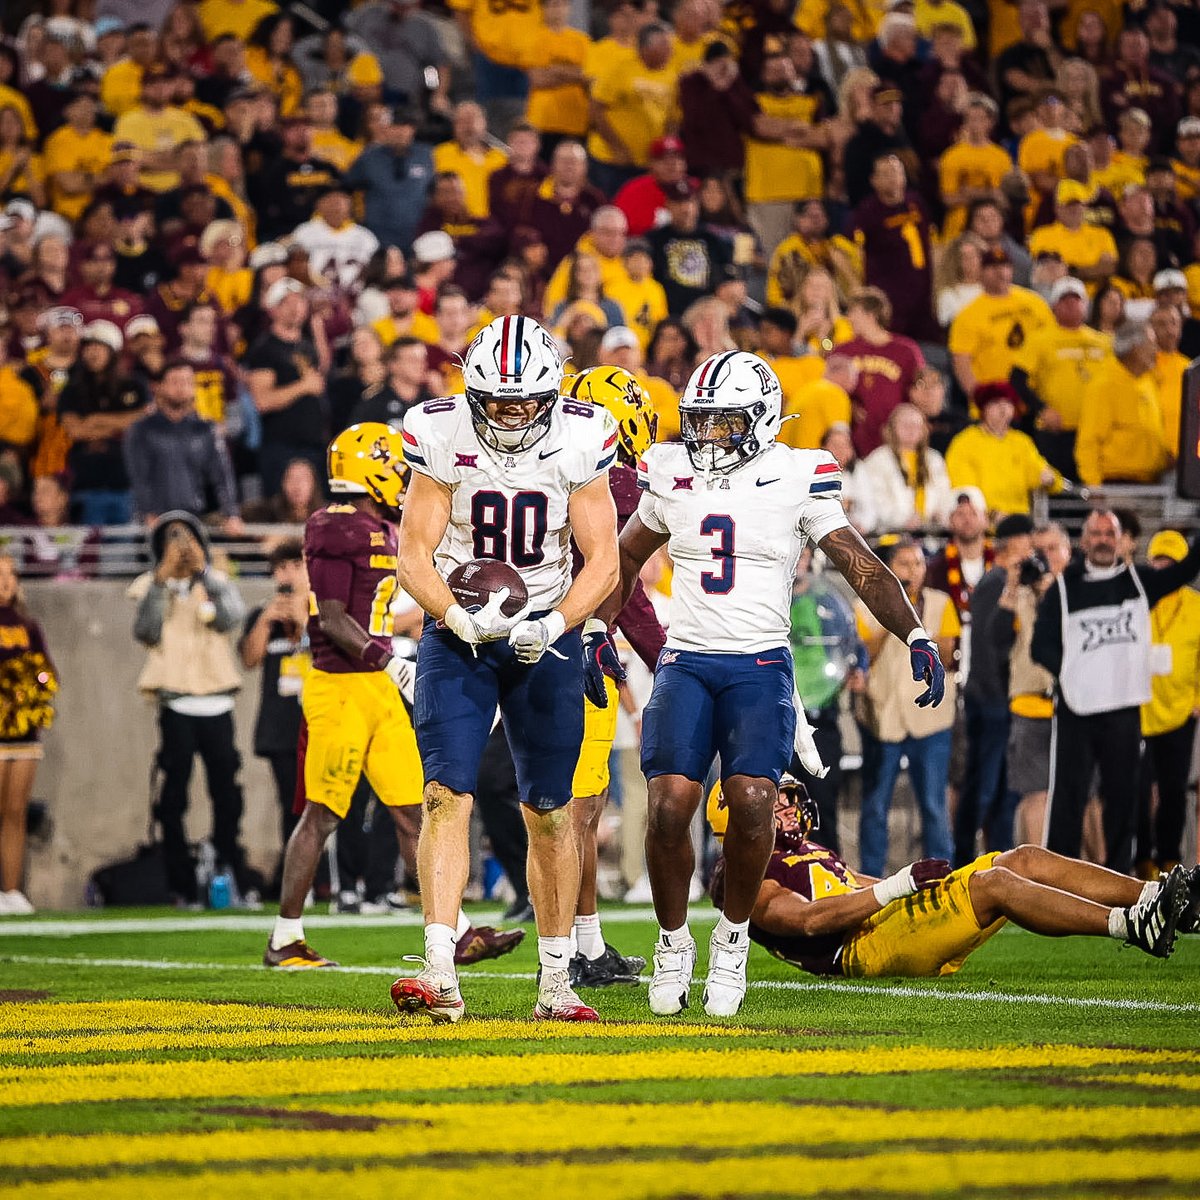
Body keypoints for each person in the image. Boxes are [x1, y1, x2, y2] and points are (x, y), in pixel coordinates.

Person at [595, 350, 948, 1018]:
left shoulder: (796, 474)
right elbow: (626, 556)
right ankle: (674, 942)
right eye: (701, 423)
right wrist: (597, 629)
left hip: (759, 664)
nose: (707, 437)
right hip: (688, 660)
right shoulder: (671, 474)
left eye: (724, 423)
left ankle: (731, 938)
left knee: (754, 800)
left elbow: (860, 566)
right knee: (669, 804)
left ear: (758, 420)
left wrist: (915, 633)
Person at [392, 315, 621, 1023]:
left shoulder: (582, 436)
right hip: (459, 631)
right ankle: (439, 969)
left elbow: (604, 558)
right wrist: (457, 619)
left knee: (550, 813)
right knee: (443, 793)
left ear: (552, 394)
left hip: (546, 630)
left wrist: (555, 624)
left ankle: (556, 985)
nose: (513, 414)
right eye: (499, 400)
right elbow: (414, 554)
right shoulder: (438, 429)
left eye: (527, 401)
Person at [707, 774, 1194, 977]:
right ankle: (1130, 925)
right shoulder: (744, 879)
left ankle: (1162, 897)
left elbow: (854, 884)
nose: (787, 807)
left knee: (1018, 858)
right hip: (858, 949)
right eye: (774, 803)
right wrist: (898, 886)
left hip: (882, 924)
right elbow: (811, 922)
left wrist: (913, 885)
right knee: (995, 885)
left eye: (785, 798)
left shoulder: (800, 848)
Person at [263, 424, 417, 965]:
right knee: (323, 814)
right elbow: (329, 619)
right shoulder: (333, 526)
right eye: (396, 465)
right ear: (370, 468)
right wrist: (389, 659)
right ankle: (285, 936)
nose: (403, 476)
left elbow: (374, 613)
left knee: (414, 809)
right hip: (341, 686)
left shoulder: (384, 527)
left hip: (375, 683)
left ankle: (450, 932)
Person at [559, 367, 665, 987]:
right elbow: (621, 587)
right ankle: (570, 950)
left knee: (580, 807)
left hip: (549, 644)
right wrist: (667, 657)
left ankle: (587, 945)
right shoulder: (615, 479)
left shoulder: (560, 467)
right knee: (578, 810)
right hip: (578, 652)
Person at [1032, 511, 1200, 874]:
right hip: (1078, 709)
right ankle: (1055, 881)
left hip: (1123, 707)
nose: (1104, 539)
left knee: (1124, 799)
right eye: (1096, 533)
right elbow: (1039, 646)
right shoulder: (1063, 588)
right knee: (1068, 799)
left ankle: (1119, 879)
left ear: (1122, 540)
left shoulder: (1139, 582)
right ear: (1084, 540)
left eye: (1111, 533)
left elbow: (1187, 570)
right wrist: (1075, 672)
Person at [128, 512, 251, 906]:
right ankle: (179, 881)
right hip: (176, 701)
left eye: (186, 540)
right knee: (173, 798)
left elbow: (231, 619)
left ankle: (228, 869)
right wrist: (164, 579)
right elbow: (145, 631)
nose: (181, 548)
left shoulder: (216, 583)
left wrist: (206, 573)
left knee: (227, 795)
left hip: (217, 700)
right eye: (172, 541)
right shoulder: (150, 585)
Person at [854, 536, 958, 878]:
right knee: (875, 805)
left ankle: (942, 876)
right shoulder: (865, 605)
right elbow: (864, 655)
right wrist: (892, 612)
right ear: (888, 569)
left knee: (933, 804)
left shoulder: (941, 603)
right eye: (904, 564)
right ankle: (870, 877)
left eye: (917, 563)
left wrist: (917, 618)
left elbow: (946, 655)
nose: (912, 570)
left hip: (930, 719)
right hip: (884, 716)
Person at [953, 513, 1036, 867]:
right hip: (991, 700)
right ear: (1014, 543)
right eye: (1027, 540)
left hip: (997, 699)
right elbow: (991, 645)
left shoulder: (999, 580)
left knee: (1001, 790)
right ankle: (963, 862)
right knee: (984, 787)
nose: (1030, 547)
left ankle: (998, 863)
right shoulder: (995, 582)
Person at [989, 521, 1071, 846]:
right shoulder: (1019, 594)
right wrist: (1012, 587)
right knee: (1034, 793)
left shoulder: (1075, 589)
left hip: (1072, 706)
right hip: (1029, 704)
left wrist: (1048, 592)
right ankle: (1035, 873)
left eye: (1053, 548)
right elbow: (995, 640)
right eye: (1039, 550)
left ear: (1068, 551)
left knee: (1082, 796)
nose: (1045, 556)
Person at [239, 538, 310, 877]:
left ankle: (329, 876)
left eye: (296, 565)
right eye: (281, 567)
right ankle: (297, 876)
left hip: (319, 718)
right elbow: (249, 659)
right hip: (281, 727)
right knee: (291, 803)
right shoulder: (262, 614)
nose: (288, 574)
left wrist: (304, 621)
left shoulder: (322, 610)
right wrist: (266, 620)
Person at [1137, 529, 1200, 879]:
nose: (1163, 569)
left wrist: (1196, 699)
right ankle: (1142, 858)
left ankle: (1170, 858)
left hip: (1179, 711)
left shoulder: (1195, 605)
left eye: (1170, 563)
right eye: (1158, 561)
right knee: (1139, 791)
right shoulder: (1138, 600)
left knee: (1174, 790)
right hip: (1140, 711)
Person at [1010, 275, 1111, 480]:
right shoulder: (1039, 339)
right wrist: (1041, 409)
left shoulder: (1103, 342)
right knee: (1058, 488)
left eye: (1076, 299)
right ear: (1054, 306)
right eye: (1065, 300)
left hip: (1094, 431)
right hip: (1057, 430)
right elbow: (1017, 379)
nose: (1072, 304)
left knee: (1090, 488)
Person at [122, 360, 242, 530]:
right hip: (152, 520)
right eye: (175, 382)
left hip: (197, 517)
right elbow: (139, 477)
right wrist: (148, 511)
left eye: (187, 382)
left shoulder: (206, 430)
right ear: (159, 386)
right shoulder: (142, 430)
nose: (182, 388)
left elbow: (222, 474)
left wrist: (231, 513)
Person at [0, 554, 56, 915]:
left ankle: (11, 889)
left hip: (24, 732)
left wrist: (34, 686)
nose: (6, 580)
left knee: (15, 812)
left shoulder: (28, 626)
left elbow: (48, 676)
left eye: (10, 574)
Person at [243, 277, 328, 496]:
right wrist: (303, 386)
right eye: (286, 303)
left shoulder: (306, 346)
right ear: (273, 309)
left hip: (311, 445)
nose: (295, 308)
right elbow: (262, 401)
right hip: (280, 447)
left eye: (299, 301)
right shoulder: (265, 349)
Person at [1075, 320, 1171, 488]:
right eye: (1151, 344)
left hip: (1153, 483)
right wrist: (1094, 487)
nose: (1156, 350)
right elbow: (1088, 442)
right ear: (1135, 348)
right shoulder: (1103, 385)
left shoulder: (1148, 381)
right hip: (1117, 486)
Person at [945, 382, 1060, 517]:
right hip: (981, 522)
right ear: (984, 408)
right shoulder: (964, 442)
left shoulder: (1022, 441)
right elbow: (965, 489)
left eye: (1008, 403)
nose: (1003, 408)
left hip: (1019, 521)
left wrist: (1051, 479)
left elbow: (1042, 473)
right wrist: (990, 515)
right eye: (995, 403)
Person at [856, 403, 953, 533]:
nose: (911, 430)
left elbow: (944, 493)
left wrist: (939, 515)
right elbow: (876, 499)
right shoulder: (877, 460)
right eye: (905, 425)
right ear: (891, 428)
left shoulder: (935, 459)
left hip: (931, 531)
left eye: (916, 425)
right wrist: (903, 520)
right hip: (890, 533)